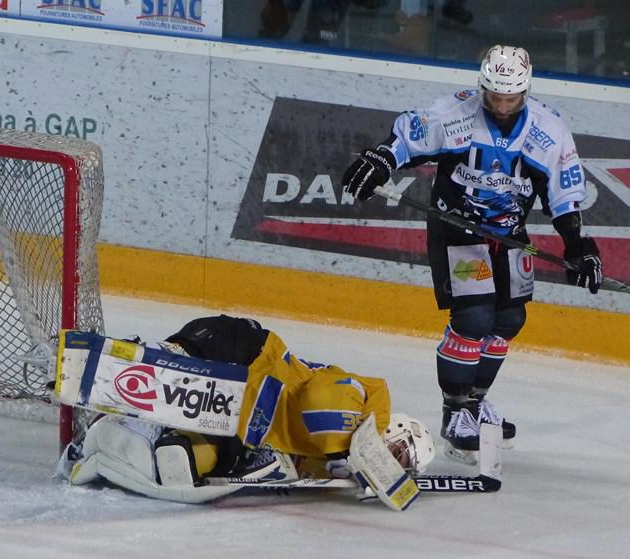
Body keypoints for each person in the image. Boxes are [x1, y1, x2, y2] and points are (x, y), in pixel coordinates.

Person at [341, 45, 601, 463]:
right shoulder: (455, 113)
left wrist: (578, 247)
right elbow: (407, 138)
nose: (501, 106)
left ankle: (476, 403)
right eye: (494, 97)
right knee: (474, 317)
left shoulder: (549, 131)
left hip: (509, 234)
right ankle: (455, 411)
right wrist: (381, 158)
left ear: (525, 92)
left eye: (511, 98)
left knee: (509, 319)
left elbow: (563, 196)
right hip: (457, 230)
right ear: (482, 88)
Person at [62, 315, 436, 508]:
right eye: (399, 452)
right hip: (246, 350)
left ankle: (126, 427)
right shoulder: (360, 404)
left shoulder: (330, 467)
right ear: (393, 429)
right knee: (183, 377)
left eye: (403, 465)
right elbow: (328, 402)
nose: (392, 463)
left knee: (180, 461)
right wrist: (352, 449)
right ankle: (157, 362)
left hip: (231, 418)